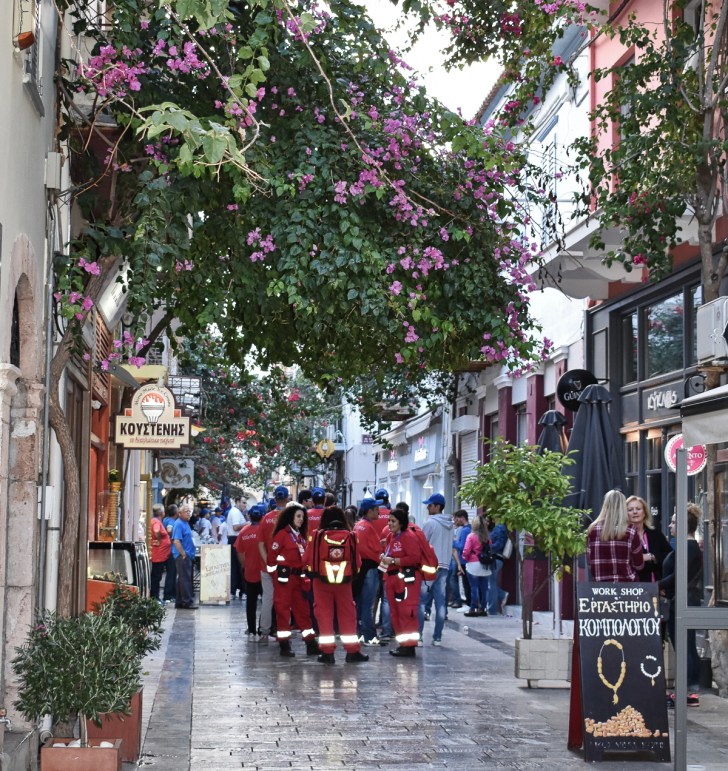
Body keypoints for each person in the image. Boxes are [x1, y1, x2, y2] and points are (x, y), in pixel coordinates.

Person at [305, 507, 368, 664]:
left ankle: (327, 654)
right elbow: (358, 563)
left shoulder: (317, 536)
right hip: (344, 582)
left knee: (324, 615)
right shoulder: (350, 536)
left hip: (321, 581)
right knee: (348, 615)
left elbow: (306, 559)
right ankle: (352, 652)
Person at [660, 504, 703, 708]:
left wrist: (657, 585)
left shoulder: (689, 547)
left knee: (684, 646)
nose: (670, 525)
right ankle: (689, 691)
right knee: (687, 646)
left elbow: (678, 576)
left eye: (674, 522)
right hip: (684, 599)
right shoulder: (687, 547)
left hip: (683, 600)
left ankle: (686, 692)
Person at [267, 502, 318, 658]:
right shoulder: (282, 535)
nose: (301, 519)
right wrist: (276, 575)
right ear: (290, 517)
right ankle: (284, 645)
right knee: (282, 611)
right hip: (284, 579)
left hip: (298, 580)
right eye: (298, 516)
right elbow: (271, 559)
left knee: (303, 611)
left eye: (303, 516)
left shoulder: (301, 537)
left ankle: (310, 643)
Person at [382, 508, 424, 658]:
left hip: (407, 580)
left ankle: (409, 646)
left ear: (401, 522)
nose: (390, 524)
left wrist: (393, 560)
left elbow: (414, 558)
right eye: (389, 521)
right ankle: (403, 645)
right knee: (396, 613)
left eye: (393, 521)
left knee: (407, 612)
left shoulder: (408, 537)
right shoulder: (392, 537)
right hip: (393, 578)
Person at [586, 489, 644, 582]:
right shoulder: (631, 530)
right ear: (623, 507)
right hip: (627, 589)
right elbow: (639, 565)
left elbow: (590, 563)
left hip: (600, 589)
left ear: (605, 505)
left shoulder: (592, 529)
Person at [418, 493, 452, 646]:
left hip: (429, 567)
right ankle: (437, 638)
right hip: (444, 566)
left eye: (430, 505)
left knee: (420, 602)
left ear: (437, 507)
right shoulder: (450, 524)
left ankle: (418, 636)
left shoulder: (430, 523)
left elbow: (421, 544)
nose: (427, 507)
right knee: (441, 603)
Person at [257, 485, 290, 642]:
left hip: (267, 566)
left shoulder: (266, 518)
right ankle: (283, 632)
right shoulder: (291, 518)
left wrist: (267, 561)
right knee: (285, 599)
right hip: (286, 567)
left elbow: (260, 544)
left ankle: (264, 632)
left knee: (267, 599)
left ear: (275, 499)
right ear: (288, 499)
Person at [353, 497, 385, 646]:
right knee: (368, 605)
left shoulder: (358, 526)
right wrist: (383, 560)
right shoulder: (368, 527)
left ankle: (360, 634)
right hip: (370, 569)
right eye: (376, 509)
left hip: (359, 569)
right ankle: (369, 637)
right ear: (369, 510)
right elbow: (374, 551)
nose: (379, 511)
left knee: (360, 604)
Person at [235, 504, 265, 638]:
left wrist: (245, 565)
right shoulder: (267, 531)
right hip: (265, 572)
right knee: (266, 602)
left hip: (250, 572)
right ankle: (263, 627)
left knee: (251, 602)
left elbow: (239, 552)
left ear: (249, 516)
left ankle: (251, 629)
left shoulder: (243, 532)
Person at [626, 495, 672, 583]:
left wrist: (653, 557)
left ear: (644, 513)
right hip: (632, 585)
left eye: (638, 509)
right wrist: (639, 558)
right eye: (630, 510)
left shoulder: (655, 533)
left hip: (655, 584)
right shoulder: (623, 535)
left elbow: (669, 555)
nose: (635, 512)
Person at [461, 514, 491, 616]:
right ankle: (483, 609)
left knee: (474, 587)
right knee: (484, 588)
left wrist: (464, 559)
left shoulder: (471, 536)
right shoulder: (487, 537)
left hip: (473, 564)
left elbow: (466, 551)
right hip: (485, 565)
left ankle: (473, 608)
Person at [172, 506, 197, 609]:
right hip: (182, 556)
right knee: (185, 579)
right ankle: (187, 602)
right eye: (185, 511)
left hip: (187, 555)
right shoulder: (178, 524)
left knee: (182, 579)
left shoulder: (185, 523)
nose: (188, 513)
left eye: (189, 511)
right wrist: (183, 554)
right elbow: (176, 541)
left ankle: (179, 601)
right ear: (179, 513)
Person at [485, 515, 509, 615]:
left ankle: (492, 608)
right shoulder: (500, 528)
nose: (488, 522)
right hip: (497, 558)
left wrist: (487, 547)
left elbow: (498, 544)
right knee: (491, 582)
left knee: (491, 583)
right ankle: (501, 595)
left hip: (496, 558)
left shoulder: (499, 528)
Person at [449, 510, 471, 609]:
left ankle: (468, 603)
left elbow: (462, 545)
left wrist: (453, 542)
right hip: (466, 560)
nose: (456, 521)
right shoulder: (468, 529)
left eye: (457, 519)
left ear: (462, 518)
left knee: (466, 583)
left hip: (463, 559)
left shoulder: (465, 530)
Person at [150, 504, 171, 604]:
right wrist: (158, 539)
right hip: (158, 554)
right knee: (156, 576)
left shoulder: (157, 521)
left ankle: (155, 596)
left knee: (157, 576)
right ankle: (154, 597)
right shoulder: (156, 521)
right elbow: (156, 530)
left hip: (161, 554)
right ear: (161, 512)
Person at [226, 498, 246, 600]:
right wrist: (247, 524)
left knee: (236, 566)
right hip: (235, 539)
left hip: (235, 539)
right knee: (240, 565)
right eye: (243, 502)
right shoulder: (235, 512)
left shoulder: (237, 512)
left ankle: (234, 590)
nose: (245, 505)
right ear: (237, 502)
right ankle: (241, 590)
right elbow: (235, 527)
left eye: (245, 503)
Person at [162, 504, 178, 604]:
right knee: (171, 573)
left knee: (171, 573)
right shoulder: (170, 521)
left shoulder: (166, 519)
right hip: (171, 550)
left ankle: (171, 594)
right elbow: (169, 530)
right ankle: (168, 595)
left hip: (168, 550)